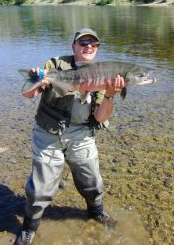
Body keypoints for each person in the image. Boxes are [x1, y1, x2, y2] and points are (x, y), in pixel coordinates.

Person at [16, 28, 125, 245]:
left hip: (82, 134)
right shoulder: (55, 66)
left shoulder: (105, 73)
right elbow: (27, 95)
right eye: (83, 42)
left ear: (97, 49)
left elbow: (101, 116)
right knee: (40, 189)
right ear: (73, 46)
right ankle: (29, 227)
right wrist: (37, 79)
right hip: (48, 133)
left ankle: (96, 212)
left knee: (92, 183)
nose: (88, 47)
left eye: (93, 44)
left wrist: (111, 95)